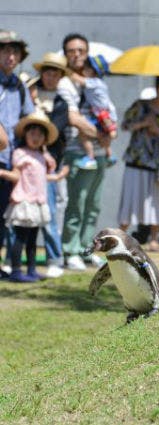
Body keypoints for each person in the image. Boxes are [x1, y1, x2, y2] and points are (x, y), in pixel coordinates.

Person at [58, 33, 115, 270]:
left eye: (81, 50)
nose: (77, 54)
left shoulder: (96, 82)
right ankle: (70, 250)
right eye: (72, 50)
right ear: (66, 54)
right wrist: (101, 134)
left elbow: (108, 111)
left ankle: (86, 249)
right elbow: (73, 118)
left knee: (93, 204)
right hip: (75, 150)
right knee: (77, 203)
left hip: (100, 152)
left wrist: (109, 132)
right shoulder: (65, 82)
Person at [117, 76, 159, 252]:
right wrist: (144, 123)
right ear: (157, 87)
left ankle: (154, 238)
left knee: (156, 203)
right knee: (129, 201)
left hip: (157, 165)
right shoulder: (141, 105)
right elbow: (125, 125)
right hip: (136, 160)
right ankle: (120, 236)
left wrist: (158, 132)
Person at [0, 112, 57, 282]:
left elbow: (47, 174)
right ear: (25, 135)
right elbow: (16, 175)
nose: (36, 137)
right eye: (32, 133)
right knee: (20, 238)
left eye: (40, 135)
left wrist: (59, 174)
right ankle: (17, 270)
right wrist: (3, 173)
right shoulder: (20, 153)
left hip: (38, 202)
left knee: (33, 239)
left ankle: (31, 269)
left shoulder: (40, 156)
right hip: (24, 202)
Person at [31, 52, 70, 278]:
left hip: (48, 165)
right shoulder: (28, 94)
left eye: (55, 73)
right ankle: (10, 259)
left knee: (49, 214)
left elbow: (52, 133)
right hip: (25, 162)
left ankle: (55, 258)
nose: (50, 76)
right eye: (47, 72)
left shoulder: (61, 104)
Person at [0, 30, 35, 277]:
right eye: (5, 50)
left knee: (4, 216)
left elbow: (28, 120)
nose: (10, 56)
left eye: (15, 52)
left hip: (10, 161)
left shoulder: (19, 85)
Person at [69, 54, 117, 170]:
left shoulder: (94, 82)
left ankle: (90, 157)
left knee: (83, 133)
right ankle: (110, 155)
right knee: (104, 135)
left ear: (95, 72)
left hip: (102, 114)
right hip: (101, 113)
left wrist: (67, 71)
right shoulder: (99, 83)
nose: (84, 69)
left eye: (87, 68)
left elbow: (77, 79)